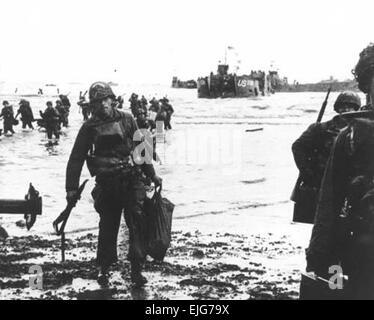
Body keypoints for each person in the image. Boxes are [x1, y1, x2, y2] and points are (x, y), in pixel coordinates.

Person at [65, 82, 162, 286]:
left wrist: (152, 175)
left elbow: (141, 149)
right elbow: (76, 158)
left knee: (137, 222)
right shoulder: (89, 126)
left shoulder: (127, 118)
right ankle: (104, 267)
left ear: (112, 100)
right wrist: (71, 189)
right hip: (107, 183)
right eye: (97, 102)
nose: (102, 105)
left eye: (105, 100)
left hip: (131, 179)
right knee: (108, 225)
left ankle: (137, 268)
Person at [304, 43, 374, 298]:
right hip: (361, 249)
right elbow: (328, 206)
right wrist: (319, 261)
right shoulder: (349, 135)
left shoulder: (349, 134)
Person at [291, 91, 361, 224]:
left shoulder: (359, 131)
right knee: (318, 220)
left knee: (344, 221)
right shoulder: (320, 129)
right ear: (337, 108)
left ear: (356, 109)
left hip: (346, 181)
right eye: (342, 106)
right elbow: (298, 147)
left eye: (350, 106)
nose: (346, 109)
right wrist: (308, 172)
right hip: (320, 181)